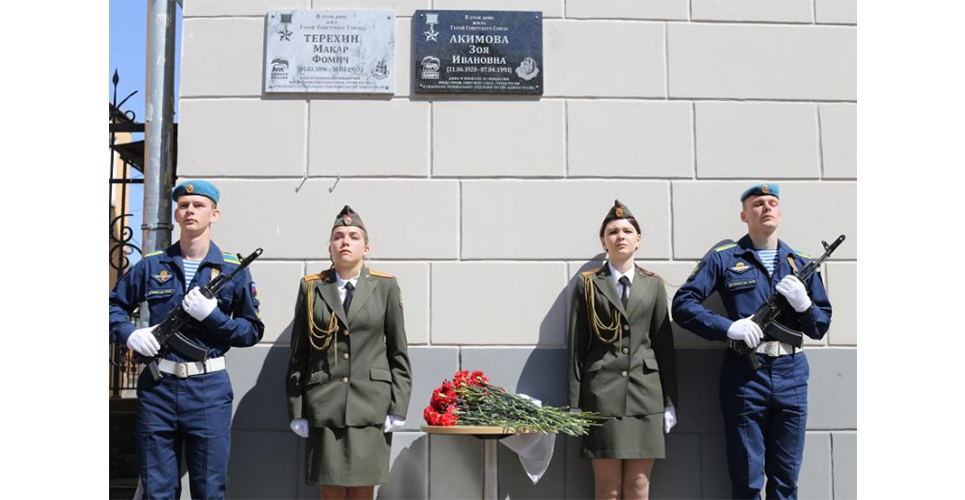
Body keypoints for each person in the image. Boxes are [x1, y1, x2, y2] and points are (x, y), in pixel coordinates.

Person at [671, 183, 832, 500]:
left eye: (772, 202)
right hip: (745, 375)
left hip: (791, 374)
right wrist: (729, 327)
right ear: (744, 215)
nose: (766, 207)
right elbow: (683, 305)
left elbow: (820, 326)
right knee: (746, 477)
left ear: (780, 212)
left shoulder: (801, 263)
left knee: (786, 479)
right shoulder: (724, 258)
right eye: (757, 203)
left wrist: (805, 306)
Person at [109, 180, 265, 499]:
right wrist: (131, 334)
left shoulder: (232, 270)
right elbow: (112, 306)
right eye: (184, 205)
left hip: (208, 390)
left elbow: (251, 331)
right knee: (157, 490)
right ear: (176, 215)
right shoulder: (152, 265)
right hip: (158, 388)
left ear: (214, 214)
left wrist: (213, 316)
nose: (190, 210)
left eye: (199, 205)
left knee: (209, 490)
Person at [286, 205, 412, 500]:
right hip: (324, 403)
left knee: (362, 490)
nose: (345, 242)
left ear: (366, 248)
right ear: (329, 248)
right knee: (330, 490)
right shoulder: (312, 288)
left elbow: (398, 351)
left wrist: (398, 405)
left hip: (370, 404)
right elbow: (299, 353)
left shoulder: (385, 287)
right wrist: (296, 409)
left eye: (354, 236)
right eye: (338, 236)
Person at [567, 200, 679, 500]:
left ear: (638, 239)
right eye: (613, 231)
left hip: (646, 395)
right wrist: (575, 404)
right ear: (603, 241)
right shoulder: (588, 284)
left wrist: (670, 401)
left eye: (627, 231)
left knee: (639, 484)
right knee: (608, 488)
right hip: (602, 395)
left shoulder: (653, 285)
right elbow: (576, 347)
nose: (620, 236)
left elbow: (664, 346)